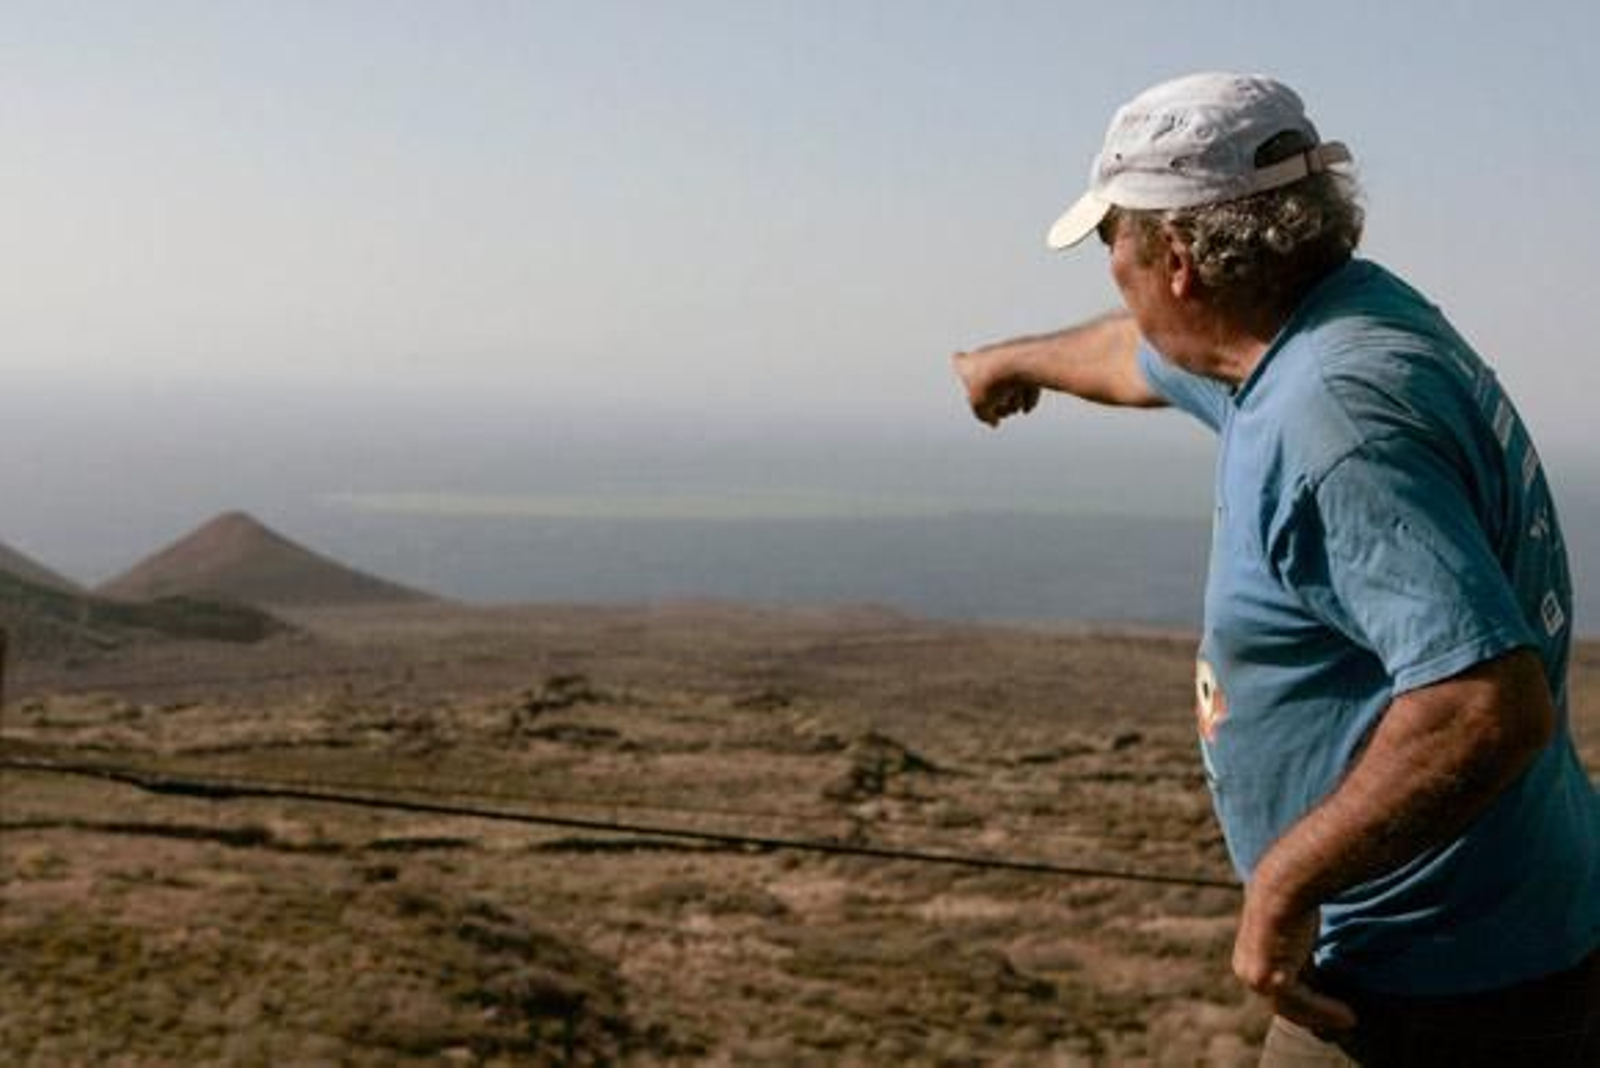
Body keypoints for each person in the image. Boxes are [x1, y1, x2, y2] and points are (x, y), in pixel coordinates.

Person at [953, 72, 1599, 1065]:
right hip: (1496, 928)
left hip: (1428, 983)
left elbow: (1485, 706)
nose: (1107, 269)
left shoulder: (1328, 415)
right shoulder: (1320, 326)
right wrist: (1011, 362)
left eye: (1106, 243)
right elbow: (1138, 356)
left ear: (1174, 259)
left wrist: (1285, 883)